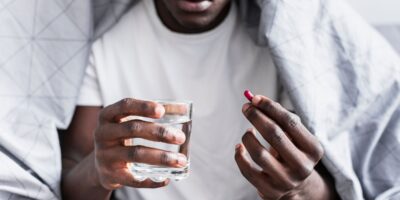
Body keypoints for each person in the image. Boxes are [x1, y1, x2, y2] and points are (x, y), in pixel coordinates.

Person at [59, 0, 360, 199]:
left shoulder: (286, 41)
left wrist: (303, 188)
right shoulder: (104, 43)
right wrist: (99, 172)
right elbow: (71, 177)